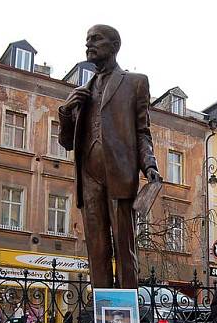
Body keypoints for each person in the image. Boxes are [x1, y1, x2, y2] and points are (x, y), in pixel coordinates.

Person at [58, 24, 161, 289]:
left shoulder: (135, 82)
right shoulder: (81, 91)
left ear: (114, 46)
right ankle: (102, 312)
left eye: (96, 39)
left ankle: (127, 314)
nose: (89, 44)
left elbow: (142, 131)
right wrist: (65, 112)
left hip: (120, 175)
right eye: (87, 39)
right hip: (89, 177)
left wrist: (149, 165)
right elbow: (67, 142)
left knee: (124, 248)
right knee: (97, 249)